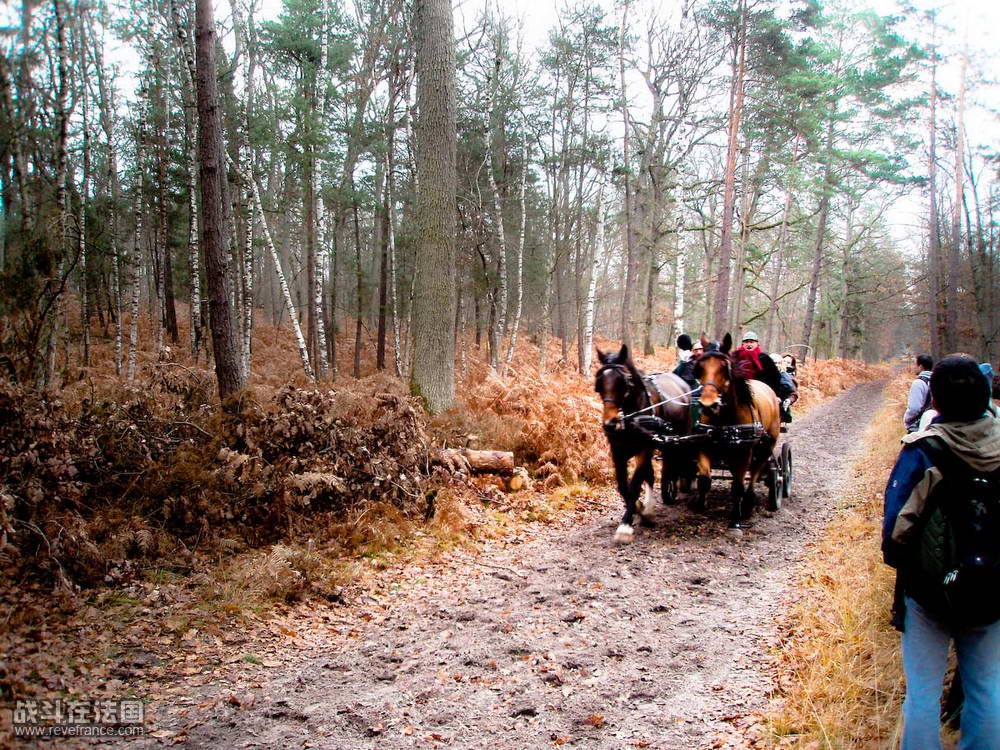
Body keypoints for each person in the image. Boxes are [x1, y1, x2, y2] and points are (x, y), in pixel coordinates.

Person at [882, 354, 1000, 749]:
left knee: (922, 692)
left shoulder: (924, 450)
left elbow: (896, 528)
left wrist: (906, 563)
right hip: (993, 585)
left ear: (935, 402)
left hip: (928, 590)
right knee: (986, 687)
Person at [903, 354, 934, 433]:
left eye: (915, 364)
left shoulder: (919, 383)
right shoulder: (937, 380)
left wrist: (907, 420)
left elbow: (914, 408)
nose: (913, 367)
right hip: (937, 424)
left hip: (920, 425)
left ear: (921, 367)